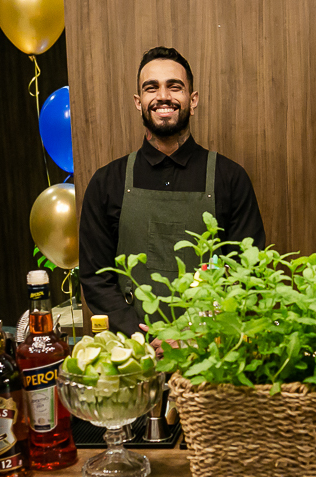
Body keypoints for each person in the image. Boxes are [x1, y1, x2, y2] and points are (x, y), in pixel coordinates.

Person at [79, 47, 266, 335]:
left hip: (209, 349)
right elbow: (94, 277)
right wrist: (138, 334)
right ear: (138, 102)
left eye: (174, 87)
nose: (163, 96)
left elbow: (248, 272)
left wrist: (193, 331)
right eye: (151, 88)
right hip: (133, 353)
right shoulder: (107, 182)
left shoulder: (230, 178)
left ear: (193, 100)